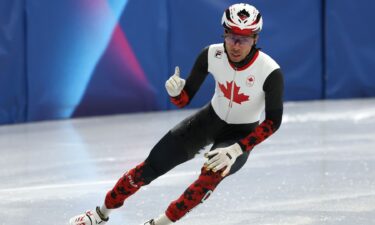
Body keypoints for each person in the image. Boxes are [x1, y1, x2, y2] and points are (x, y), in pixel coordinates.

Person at [69, 3, 284, 225]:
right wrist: (175, 93)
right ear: (225, 34)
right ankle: (99, 214)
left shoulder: (269, 71)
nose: (236, 46)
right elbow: (184, 101)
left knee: (209, 176)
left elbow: (273, 122)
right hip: (208, 121)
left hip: (239, 136)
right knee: (151, 166)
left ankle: (160, 224)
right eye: (232, 38)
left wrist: (237, 149)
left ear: (256, 39)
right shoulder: (211, 54)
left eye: (245, 39)